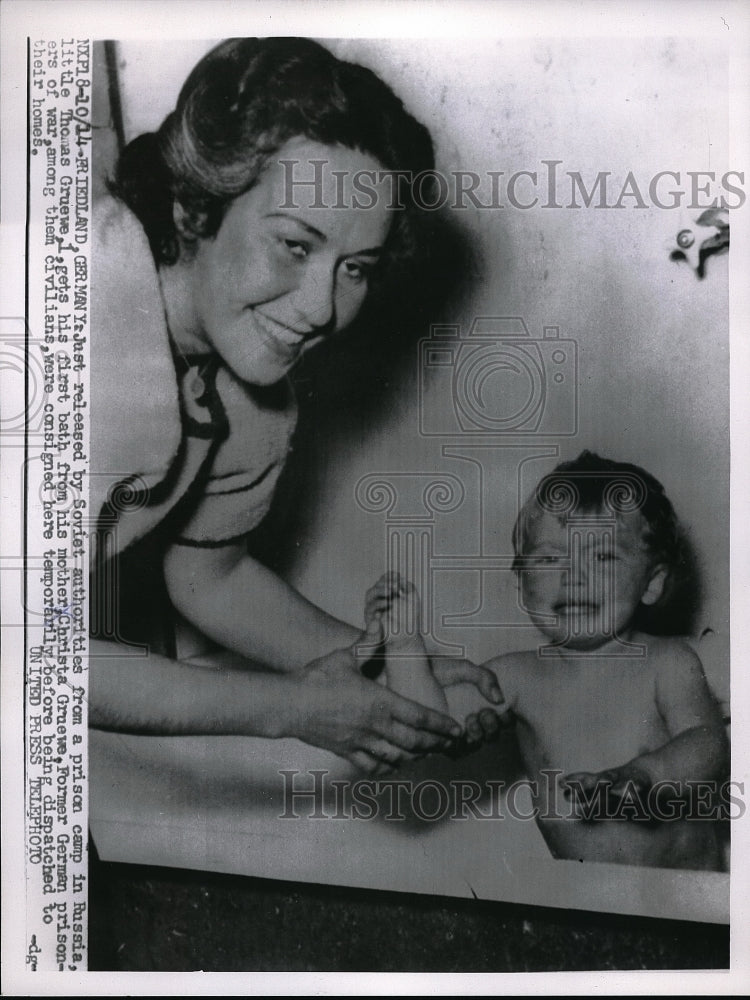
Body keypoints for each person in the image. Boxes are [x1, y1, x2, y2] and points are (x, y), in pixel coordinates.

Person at [89, 37, 502, 775]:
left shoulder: (251, 404)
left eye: (356, 269)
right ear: (194, 205)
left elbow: (208, 578)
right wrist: (295, 710)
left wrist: (382, 670)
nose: (321, 310)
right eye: (294, 245)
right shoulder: (83, 312)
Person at [366, 451, 729, 869]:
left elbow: (709, 744)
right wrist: (405, 645)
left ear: (653, 582)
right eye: (549, 558)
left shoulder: (667, 662)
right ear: (520, 582)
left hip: (683, 895)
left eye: (603, 556)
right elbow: (432, 724)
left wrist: (647, 776)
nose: (573, 575)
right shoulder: (518, 675)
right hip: (582, 899)